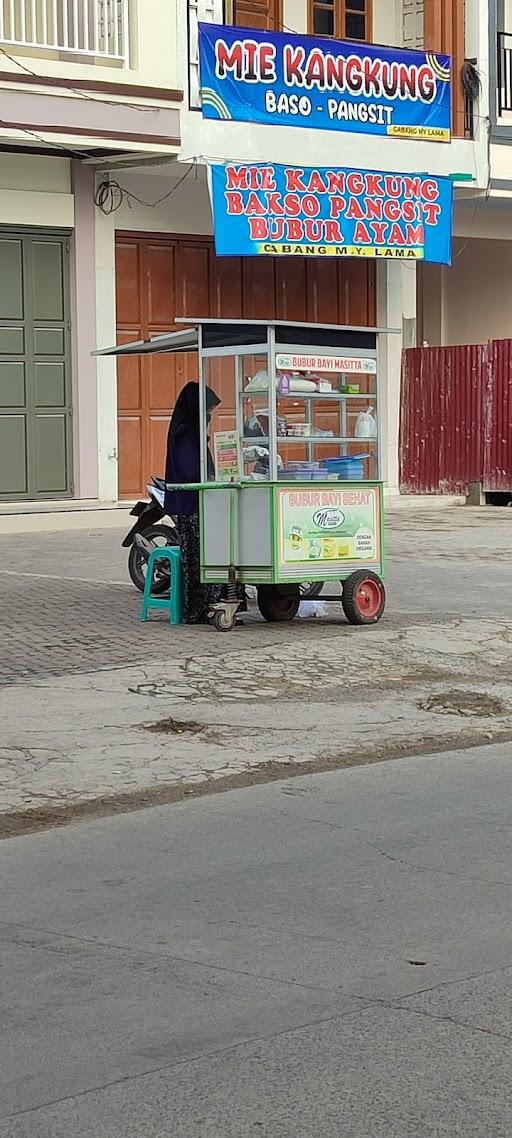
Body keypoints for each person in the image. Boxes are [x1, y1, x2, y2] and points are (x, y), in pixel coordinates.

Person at [165, 381, 223, 624]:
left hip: (201, 502)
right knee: (197, 559)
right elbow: (191, 471)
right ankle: (199, 609)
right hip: (189, 505)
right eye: (207, 411)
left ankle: (215, 603)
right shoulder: (184, 435)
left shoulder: (194, 433)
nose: (209, 416)